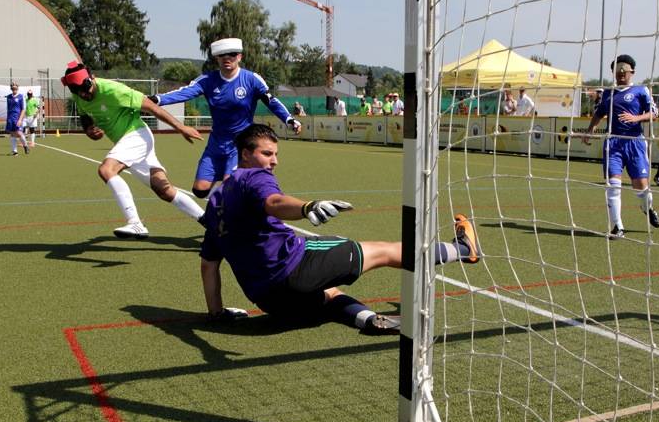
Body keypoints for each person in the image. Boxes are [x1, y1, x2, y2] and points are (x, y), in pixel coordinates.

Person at [199, 123, 482, 330]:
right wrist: (307, 207)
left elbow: (208, 265)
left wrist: (216, 313)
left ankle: (369, 320)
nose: (274, 161)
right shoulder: (254, 177)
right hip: (294, 268)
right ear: (245, 155)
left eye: (275, 154)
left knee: (329, 296)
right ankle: (462, 248)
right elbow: (274, 201)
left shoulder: (214, 203)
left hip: (268, 299)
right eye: (267, 153)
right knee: (381, 251)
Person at [62, 61, 206, 239]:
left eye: (86, 88)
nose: (84, 94)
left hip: (137, 135)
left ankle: (135, 223)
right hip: (125, 142)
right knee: (164, 189)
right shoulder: (80, 95)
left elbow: (151, 106)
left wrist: (180, 127)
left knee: (107, 169)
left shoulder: (114, 90)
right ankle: (210, 222)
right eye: (78, 91)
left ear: (91, 78)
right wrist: (89, 129)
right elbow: (85, 116)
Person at [151, 38, 302, 199]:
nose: (227, 58)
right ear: (217, 58)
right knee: (199, 190)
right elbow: (184, 93)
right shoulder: (207, 80)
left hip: (240, 143)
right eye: (222, 55)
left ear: (240, 57)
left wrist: (289, 119)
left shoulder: (251, 79)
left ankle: (242, 199)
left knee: (229, 186)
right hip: (216, 143)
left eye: (232, 54)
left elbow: (271, 102)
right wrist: (157, 99)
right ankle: (237, 188)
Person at [580, 54, 659, 239]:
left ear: (632, 72)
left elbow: (654, 113)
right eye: (617, 71)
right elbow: (599, 114)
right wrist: (590, 130)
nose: (621, 73)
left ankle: (647, 207)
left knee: (641, 188)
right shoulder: (608, 93)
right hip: (613, 143)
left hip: (635, 143)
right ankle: (617, 226)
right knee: (613, 185)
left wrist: (636, 118)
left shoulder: (641, 90)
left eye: (624, 70)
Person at [5, 83, 29, 156]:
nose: (14, 89)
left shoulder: (21, 97)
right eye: (12, 88)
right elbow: (8, 108)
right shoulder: (8, 97)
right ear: (11, 89)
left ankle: (25, 146)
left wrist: (20, 119)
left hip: (17, 118)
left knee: (19, 133)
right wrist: (8, 118)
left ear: (17, 88)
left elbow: (23, 109)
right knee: (12, 134)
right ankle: (15, 151)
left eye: (15, 88)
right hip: (10, 118)